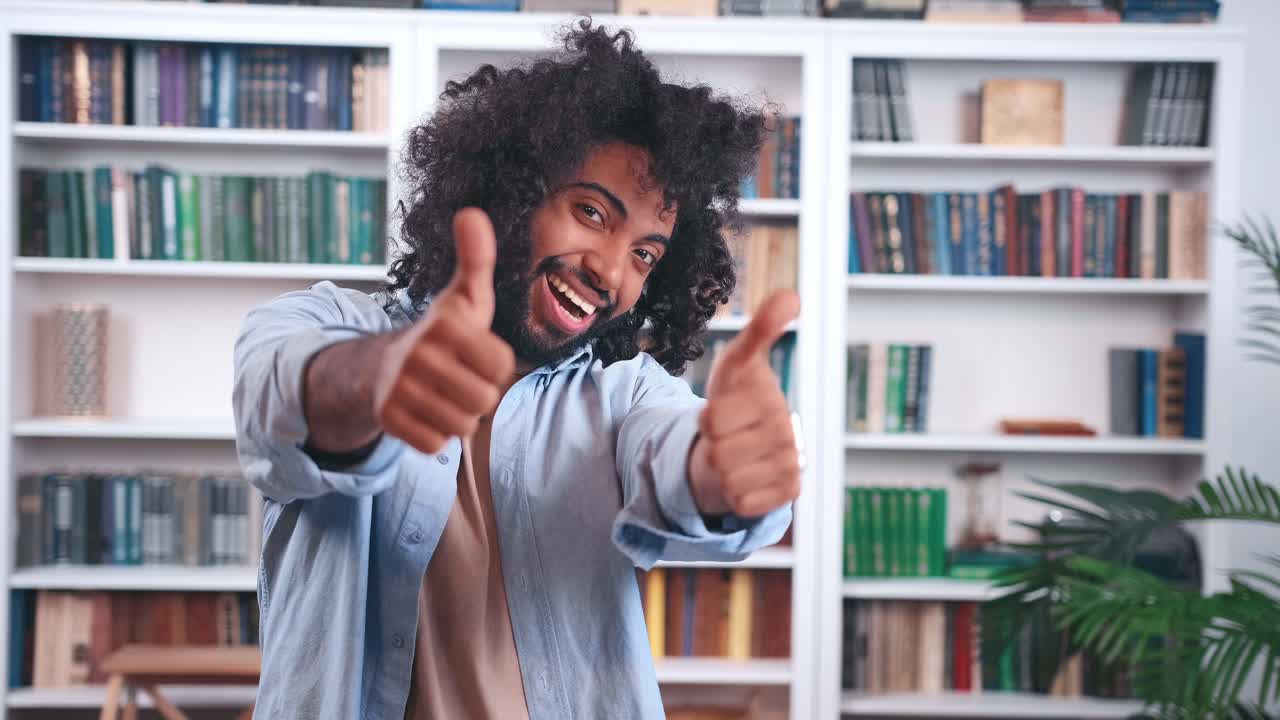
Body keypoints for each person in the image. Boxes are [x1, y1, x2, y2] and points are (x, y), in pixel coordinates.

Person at [233, 20, 801, 720]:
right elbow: (278, 401)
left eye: (646, 255)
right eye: (590, 212)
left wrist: (720, 472)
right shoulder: (324, 326)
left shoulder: (626, 393)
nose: (610, 271)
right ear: (510, 191)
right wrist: (379, 380)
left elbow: (674, 449)